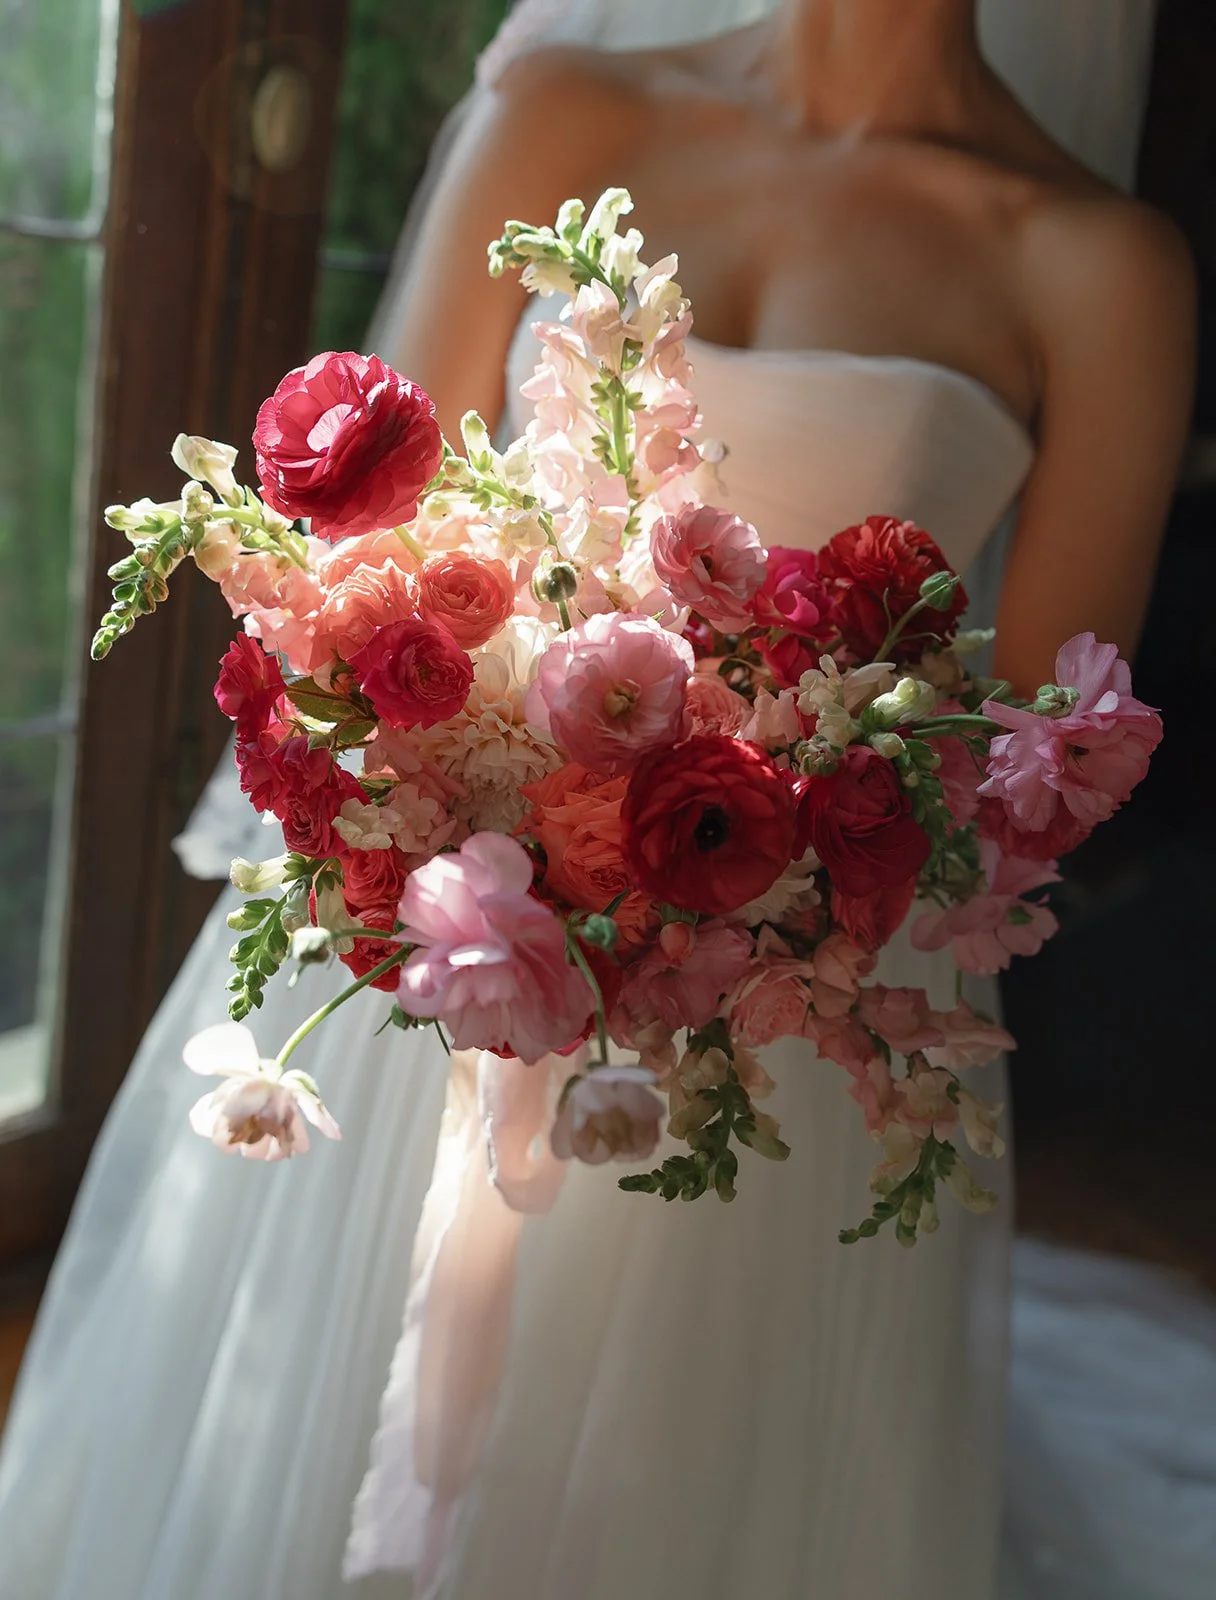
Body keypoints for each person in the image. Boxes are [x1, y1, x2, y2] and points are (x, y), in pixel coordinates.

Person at [0, 2, 1202, 1598]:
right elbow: (354, 556)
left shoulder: (1094, 258)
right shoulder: (562, 108)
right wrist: (474, 793)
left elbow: (1043, 754)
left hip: (773, 997)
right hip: (442, 913)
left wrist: (722, 885)